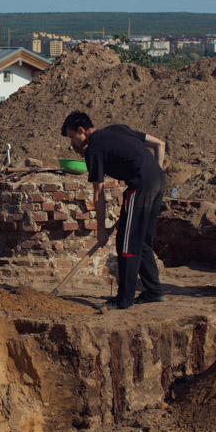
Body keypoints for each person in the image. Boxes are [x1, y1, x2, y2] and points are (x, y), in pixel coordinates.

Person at [61, 111, 166, 310]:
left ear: (81, 131)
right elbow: (159, 144)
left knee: (126, 242)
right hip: (158, 181)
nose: (72, 143)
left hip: (140, 186)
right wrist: (155, 173)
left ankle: (124, 299)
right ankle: (154, 291)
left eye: (72, 137)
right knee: (142, 240)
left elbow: (98, 193)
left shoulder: (94, 149)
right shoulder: (117, 129)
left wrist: (101, 230)